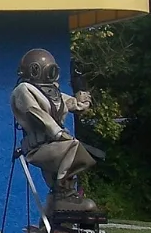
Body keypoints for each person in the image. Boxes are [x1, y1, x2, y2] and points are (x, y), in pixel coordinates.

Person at [10, 48, 100, 212]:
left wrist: (82, 91)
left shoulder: (52, 92)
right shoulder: (24, 90)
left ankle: (59, 205)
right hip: (39, 147)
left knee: (82, 153)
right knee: (74, 147)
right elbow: (36, 113)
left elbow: (76, 105)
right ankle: (62, 193)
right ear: (35, 70)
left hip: (54, 144)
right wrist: (59, 133)